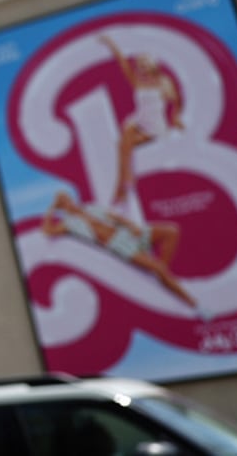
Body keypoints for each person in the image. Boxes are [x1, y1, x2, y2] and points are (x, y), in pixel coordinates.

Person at [40, 189, 205, 319]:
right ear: (61, 208)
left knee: (171, 231)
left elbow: (115, 216)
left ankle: (163, 277)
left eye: (68, 198)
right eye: (63, 203)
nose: (68, 203)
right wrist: (52, 208)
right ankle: (195, 304)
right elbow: (47, 231)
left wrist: (133, 226)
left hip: (126, 232)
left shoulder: (91, 207)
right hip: (118, 244)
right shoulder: (68, 223)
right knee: (158, 268)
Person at [99, 34, 184, 209]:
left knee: (122, 144)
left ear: (152, 64)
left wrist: (176, 118)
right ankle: (125, 184)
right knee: (126, 136)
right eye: (139, 65)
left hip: (154, 128)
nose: (141, 68)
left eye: (144, 64)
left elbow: (177, 101)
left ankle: (121, 187)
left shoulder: (163, 82)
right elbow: (122, 62)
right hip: (139, 122)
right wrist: (111, 44)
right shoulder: (136, 81)